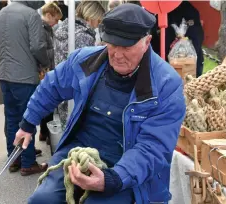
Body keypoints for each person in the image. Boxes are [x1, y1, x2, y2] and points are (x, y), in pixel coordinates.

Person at [15, 3, 186, 204]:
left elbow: (153, 147)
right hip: (78, 153)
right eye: (112, 45)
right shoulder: (85, 60)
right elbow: (52, 85)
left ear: (147, 41)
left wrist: (112, 179)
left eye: (127, 47)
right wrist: (28, 123)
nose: (117, 55)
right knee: (42, 200)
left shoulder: (166, 84)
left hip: (126, 167)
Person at [0, 1, 50, 176]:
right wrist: (45, 63)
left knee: (11, 119)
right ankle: (28, 161)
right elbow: (38, 46)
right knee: (28, 117)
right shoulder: (31, 14)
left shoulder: (1, 13)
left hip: (5, 74)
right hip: (24, 76)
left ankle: (15, 157)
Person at [54, 0, 105, 130]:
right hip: (76, 92)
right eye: (98, 21)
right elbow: (87, 68)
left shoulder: (66, 29)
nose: (97, 25)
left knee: (67, 129)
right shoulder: (84, 36)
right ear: (91, 16)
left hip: (62, 88)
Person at [39, 2, 63, 142]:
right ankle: (46, 133)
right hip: (45, 70)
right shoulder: (43, 29)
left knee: (47, 103)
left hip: (46, 69)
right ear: (49, 15)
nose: (56, 22)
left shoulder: (46, 28)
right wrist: (47, 65)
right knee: (47, 103)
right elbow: (41, 49)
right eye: (56, 19)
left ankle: (44, 133)